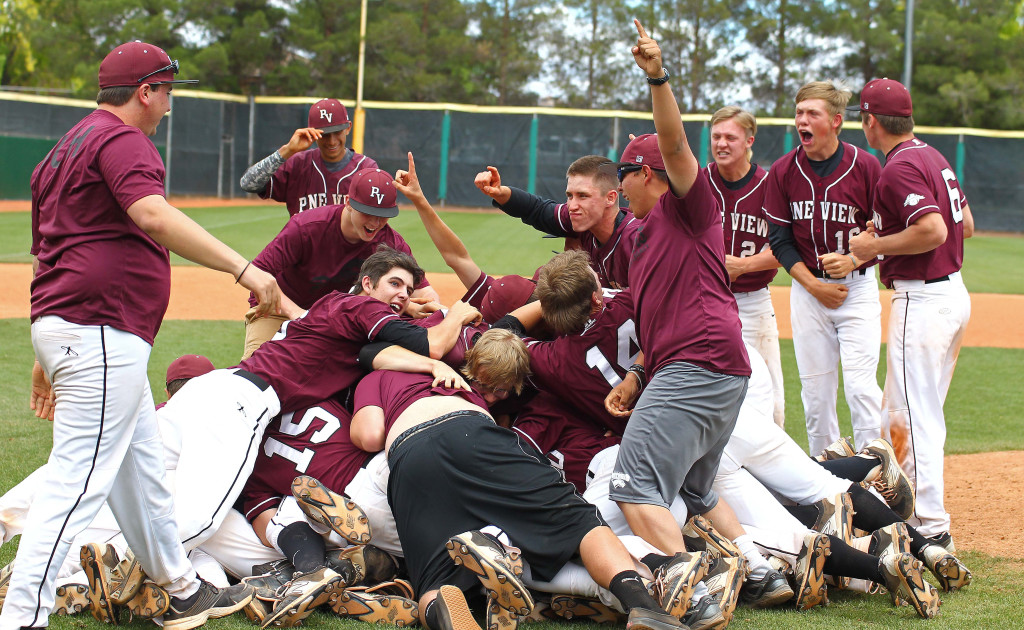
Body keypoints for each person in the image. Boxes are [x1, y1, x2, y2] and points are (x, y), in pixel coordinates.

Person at [8, 40, 282, 630]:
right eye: (166, 93)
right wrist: (245, 267)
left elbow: (46, 256)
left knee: (143, 465)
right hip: (99, 329)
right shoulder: (122, 139)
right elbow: (152, 215)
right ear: (145, 91)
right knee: (76, 484)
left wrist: (42, 349)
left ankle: (178, 585)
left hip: (75, 326)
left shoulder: (60, 151)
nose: (167, 106)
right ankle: (22, 617)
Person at [348, 364, 688, 630]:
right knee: (579, 521)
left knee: (432, 579)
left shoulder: (376, 378)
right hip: (471, 430)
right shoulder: (445, 364)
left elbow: (369, 434)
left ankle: (444, 605)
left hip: (410, 456)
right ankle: (642, 604)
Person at [600, 19, 751, 565]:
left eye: (624, 172)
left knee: (635, 488)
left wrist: (658, 77)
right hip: (705, 367)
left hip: (699, 365)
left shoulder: (688, 207)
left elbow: (675, 142)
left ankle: (695, 585)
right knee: (694, 492)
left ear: (647, 172)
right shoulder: (643, 231)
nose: (618, 184)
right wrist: (639, 373)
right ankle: (759, 569)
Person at [847, 77, 974, 551]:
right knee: (915, 414)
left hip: (921, 303)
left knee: (913, 419)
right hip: (952, 296)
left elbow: (935, 230)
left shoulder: (897, 168)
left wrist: (873, 246)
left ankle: (931, 527)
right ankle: (911, 513)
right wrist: (884, 233)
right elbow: (966, 222)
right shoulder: (933, 156)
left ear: (871, 121)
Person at [762, 80, 883, 455]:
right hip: (807, 291)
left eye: (812, 113)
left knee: (862, 389)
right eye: (799, 113)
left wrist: (853, 258)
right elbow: (780, 241)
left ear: (835, 121)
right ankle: (827, 482)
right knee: (815, 395)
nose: (802, 120)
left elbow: (883, 229)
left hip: (857, 288)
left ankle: (878, 478)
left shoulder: (866, 166)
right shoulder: (783, 170)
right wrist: (813, 286)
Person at [241, 167, 440, 359]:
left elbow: (425, 292)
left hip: (337, 318)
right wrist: (297, 313)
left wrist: (426, 309)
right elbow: (256, 273)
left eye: (382, 215)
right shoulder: (306, 227)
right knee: (257, 371)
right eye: (366, 212)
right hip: (279, 310)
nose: (374, 222)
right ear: (348, 202)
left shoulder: (390, 242)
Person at [704, 106, 786, 428]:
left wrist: (742, 266)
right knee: (710, 391)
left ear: (749, 140)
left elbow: (786, 247)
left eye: (730, 137)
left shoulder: (770, 185)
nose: (722, 143)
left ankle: (776, 470)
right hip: (705, 301)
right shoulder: (699, 181)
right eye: (716, 136)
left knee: (772, 396)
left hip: (753, 301)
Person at [474, 155, 640, 289]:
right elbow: (536, 209)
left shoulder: (637, 240)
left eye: (583, 195)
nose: (572, 206)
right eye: (569, 196)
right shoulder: (581, 219)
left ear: (610, 198)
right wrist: (498, 192)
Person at [239, 99, 377, 216]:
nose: (332, 141)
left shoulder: (367, 169)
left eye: (337, 132)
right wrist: (287, 150)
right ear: (311, 132)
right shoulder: (297, 163)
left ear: (348, 128)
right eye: (324, 134)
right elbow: (247, 184)